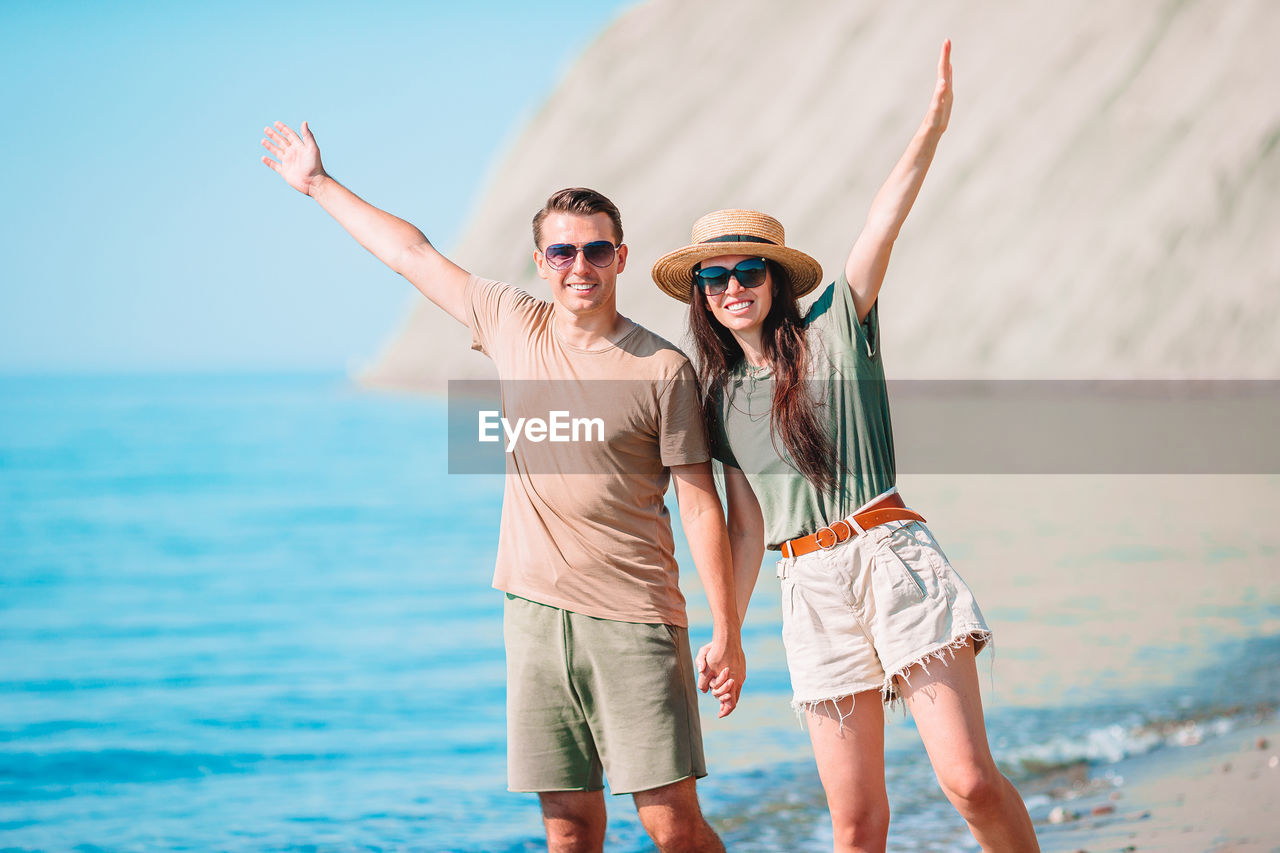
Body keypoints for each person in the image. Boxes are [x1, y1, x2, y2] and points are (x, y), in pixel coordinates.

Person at [260, 123, 744, 853]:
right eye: (562, 251)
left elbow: (701, 502)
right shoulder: (513, 322)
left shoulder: (662, 367)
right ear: (541, 261)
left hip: (637, 616)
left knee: (671, 823)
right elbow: (410, 253)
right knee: (568, 826)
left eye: (595, 249)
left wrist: (727, 629)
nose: (580, 265)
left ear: (620, 257)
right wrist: (319, 184)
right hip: (534, 617)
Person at [650, 42, 1040, 853]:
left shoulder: (836, 324)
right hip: (809, 589)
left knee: (967, 781)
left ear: (776, 276)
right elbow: (746, 525)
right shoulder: (717, 396)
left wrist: (931, 127)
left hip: (892, 554)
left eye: (747, 269)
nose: (731, 288)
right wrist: (728, 629)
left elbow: (882, 219)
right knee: (858, 826)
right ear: (699, 295)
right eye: (713, 278)